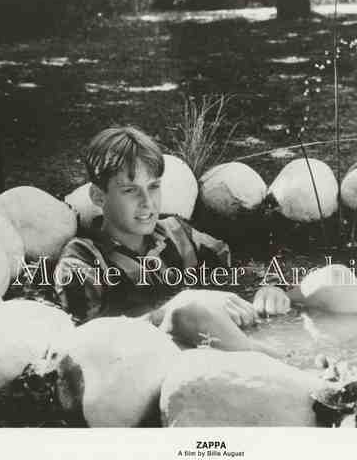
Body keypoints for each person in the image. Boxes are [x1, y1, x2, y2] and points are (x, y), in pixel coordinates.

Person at [54, 126, 290, 331]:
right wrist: (175, 311)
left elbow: (240, 268)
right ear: (98, 196)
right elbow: (89, 340)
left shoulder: (176, 233)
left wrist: (269, 286)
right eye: (130, 190)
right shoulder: (81, 260)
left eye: (153, 187)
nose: (147, 202)